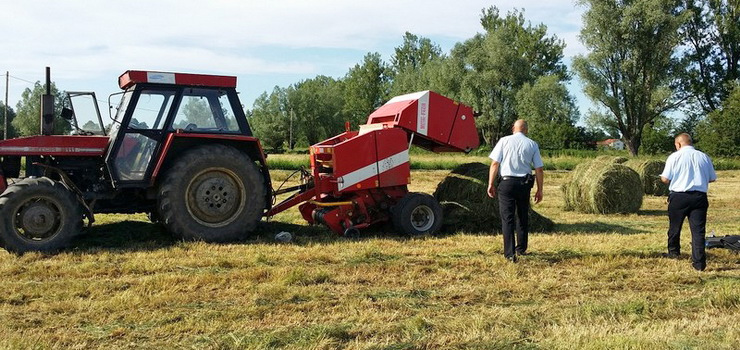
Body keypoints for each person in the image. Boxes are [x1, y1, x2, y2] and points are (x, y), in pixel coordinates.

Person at [487, 119, 544, 263]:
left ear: (513, 128)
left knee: (508, 218)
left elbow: (495, 163)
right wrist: (540, 189)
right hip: (524, 184)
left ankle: (510, 254)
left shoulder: (504, 141)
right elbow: (539, 169)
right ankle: (521, 248)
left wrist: (490, 184)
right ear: (526, 130)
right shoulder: (532, 144)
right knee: (522, 215)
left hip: (506, 183)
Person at [660, 133, 717, 271]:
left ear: (678, 144)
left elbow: (665, 179)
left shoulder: (674, 157)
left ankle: (673, 252)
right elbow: (712, 178)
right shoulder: (703, 156)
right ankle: (699, 264)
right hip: (699, 197)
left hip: (679, 197)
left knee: (675, 227)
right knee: (698, 231)